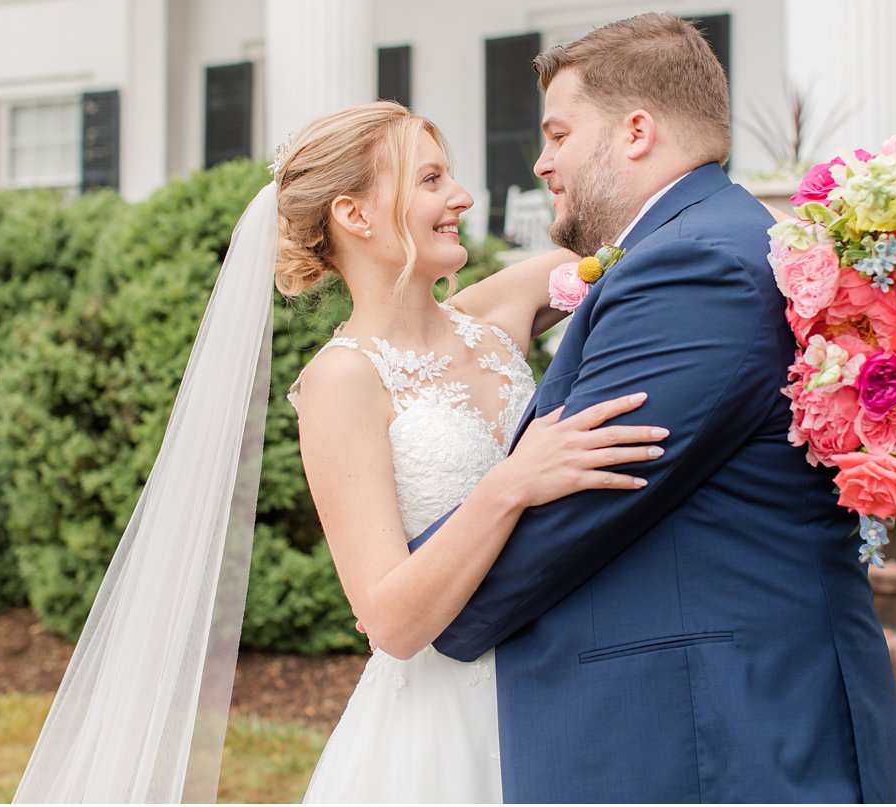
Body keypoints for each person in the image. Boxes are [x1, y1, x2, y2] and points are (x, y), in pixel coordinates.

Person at [411, 12, 896, 802]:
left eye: (559, 133)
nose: (542, 162)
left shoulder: (693, 268)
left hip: (711, 744)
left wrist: (413, 592)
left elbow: (584, 497)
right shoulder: (706, 240)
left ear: (636, 130)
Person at [277, 102, 663, 802]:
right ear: (355, 215)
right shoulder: (342, 380)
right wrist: (511, 483)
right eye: (430, 180)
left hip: (561, 681)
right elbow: (390, 619)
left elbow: (649, 238)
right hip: (443, 723)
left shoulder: (496, 313)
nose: (461, 196)